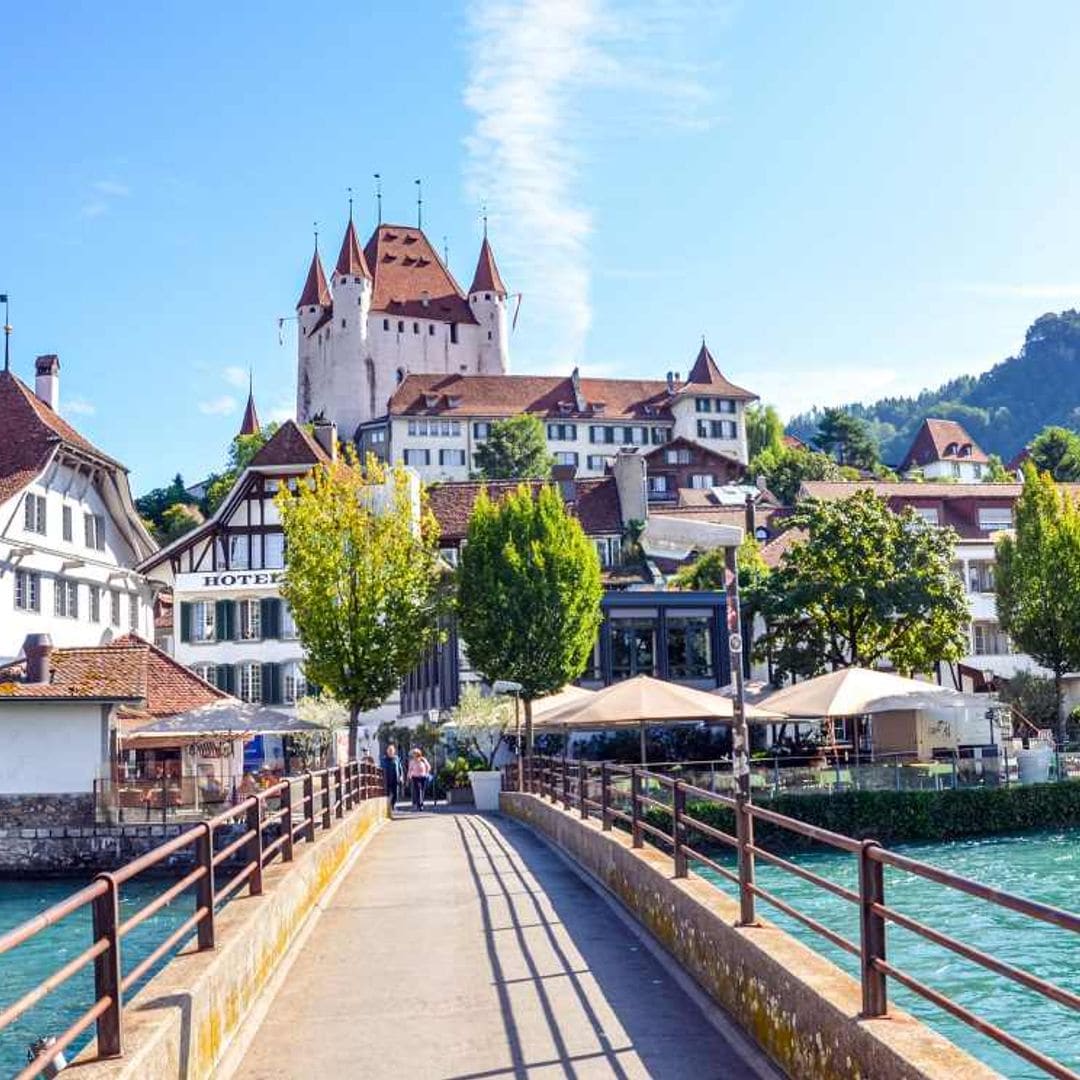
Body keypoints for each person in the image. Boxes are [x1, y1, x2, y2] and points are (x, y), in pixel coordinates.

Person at [382, 744, 403, 813]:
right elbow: (381, 768)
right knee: (387, 793)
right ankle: (388, 806)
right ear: (387, 751)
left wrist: (401, 776)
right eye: (389, 750)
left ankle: (393, 805)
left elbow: (400, 768)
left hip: (395, 778)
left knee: (395, 793)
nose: (390, 751)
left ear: (394, 751)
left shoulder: (397, 758)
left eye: (392, 750)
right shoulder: (384, 759)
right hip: (387, 778)